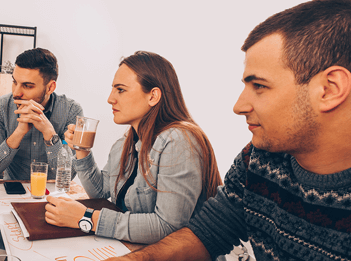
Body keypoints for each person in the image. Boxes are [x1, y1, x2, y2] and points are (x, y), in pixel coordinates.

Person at [102, 0, 351, 260]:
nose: (238, 106)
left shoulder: (178, 138)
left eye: (260, 86)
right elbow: (209, 230)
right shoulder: (260, 157)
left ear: (329, 89)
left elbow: (168, 223)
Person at [44, 51, 223, 244]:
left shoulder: (178, 140)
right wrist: (82, 151)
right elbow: (102, 193)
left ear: (153, 96)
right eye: (113, 89)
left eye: (120, 89)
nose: (110, 98)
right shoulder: (126, 143)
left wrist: (87, 217)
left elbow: (169, 227)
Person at [0, 48, 83, 180]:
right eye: (15, 82)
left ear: (50, 87)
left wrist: (49, 133)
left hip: (52, 194)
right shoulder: (2, 106)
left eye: (27, 85)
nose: (16, 92)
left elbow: (68, 175)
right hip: (12, 192)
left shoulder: (71, 111)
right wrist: (18, 133)